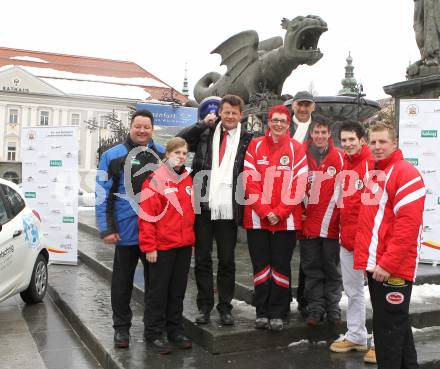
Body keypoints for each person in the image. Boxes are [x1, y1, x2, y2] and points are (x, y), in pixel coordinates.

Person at [354, 122, 425, 369]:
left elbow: (407, 228)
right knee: (398, 328)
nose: (377, 147)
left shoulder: (405, 172)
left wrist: (386, 263)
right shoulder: (375, 174)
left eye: (382, 142)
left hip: (392, 268)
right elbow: (371, 223)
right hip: (378, 266)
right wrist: (369, 262)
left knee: (388, 335)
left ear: (394, 143)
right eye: (373, 142)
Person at [177, 94, 253, 325]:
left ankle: (225, 306)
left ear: (241, 116)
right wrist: (202, 123)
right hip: (203, 205)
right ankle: (204, 306)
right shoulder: (205, 133)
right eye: (226, 112)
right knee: (202, 260)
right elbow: (178, 141)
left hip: (229, 207)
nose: (230, 117)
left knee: (227, 261)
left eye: (234, 113)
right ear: (219, 112)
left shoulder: (247, 139)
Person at [95, 109, 165, 348]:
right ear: (131, 127)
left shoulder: (163, 155)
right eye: (138, 126)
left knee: (155, 285)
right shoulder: (112, 155)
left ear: (152, 129)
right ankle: (121, 329)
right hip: (125, 231)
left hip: (155, 234)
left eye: (147, 127)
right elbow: (101, 195)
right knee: (122, 284)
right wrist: (106, 228)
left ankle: (153, 330)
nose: (142, 131)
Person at [242, 105, 307, 331]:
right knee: (260, 266)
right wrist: (263, 210)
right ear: (269, 121)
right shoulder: (255, 145)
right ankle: (261, 310)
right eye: (274, 120)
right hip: (257, 219)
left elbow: (299, 186)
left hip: (286, 221)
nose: (278, 124)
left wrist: (278, 212)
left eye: (283, 120)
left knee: (280, 266)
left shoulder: (297, 149)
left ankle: (279, 312)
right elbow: (250, 181)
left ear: (288, 124)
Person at [139, 137, 194, 354]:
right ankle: (153, 333)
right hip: (162, 247)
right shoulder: (155, 180)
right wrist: (149, 246)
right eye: (177, 152)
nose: (181, 156)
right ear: (167, 154)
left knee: (177, 292)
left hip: (183, 245)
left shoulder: (187, 180)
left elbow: (190, 214)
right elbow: (147, 216)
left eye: (184, 153)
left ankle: (175, 331)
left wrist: (192, 241)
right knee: (158, 292)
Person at [329, 121, 376, 364]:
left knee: (378, 294)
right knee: (353, 291)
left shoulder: (372, 165)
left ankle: (380, 342)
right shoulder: (344, 165)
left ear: (362, 140)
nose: (347, 144)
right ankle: (356, 335)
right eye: (344, 140)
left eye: (352, 140)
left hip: (369, 242)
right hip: (347, 240)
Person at [300, 117, 343, 326]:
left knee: (332, 269)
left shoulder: (340, 159)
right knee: (312, 269)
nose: (319, 136)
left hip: (331, 226)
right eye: (316, 132)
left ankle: (333, 307)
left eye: (323, 133)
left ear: (329, 135)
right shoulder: (300, 156)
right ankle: (315, 308)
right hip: (308, 225)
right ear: (311, 133)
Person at [287, 90, 316, 317]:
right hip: (282, 194)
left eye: (308, 105)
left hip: (310, 195)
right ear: (293, 105)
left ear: (312, 107)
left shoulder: (319, 130)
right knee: (283, 252)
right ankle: (283, 295)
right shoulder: (283, 126)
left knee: (308, 253)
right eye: (300, 105)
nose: (304, 109)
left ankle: (305, 298)